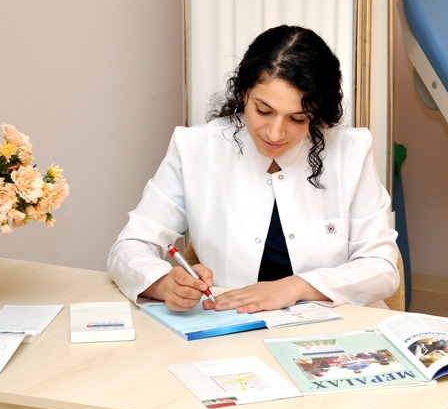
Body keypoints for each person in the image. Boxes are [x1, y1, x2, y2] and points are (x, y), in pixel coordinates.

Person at [108, 25, 399, 312]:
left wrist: (295, 287)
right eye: (263, 111)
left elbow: (382, 267)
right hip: (232, 328)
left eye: (297, 118)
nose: (275, 133)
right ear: (244, 92)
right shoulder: (196, 148)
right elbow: (130, 246)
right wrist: (163, 284)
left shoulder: (351, 152)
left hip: (336, 326)